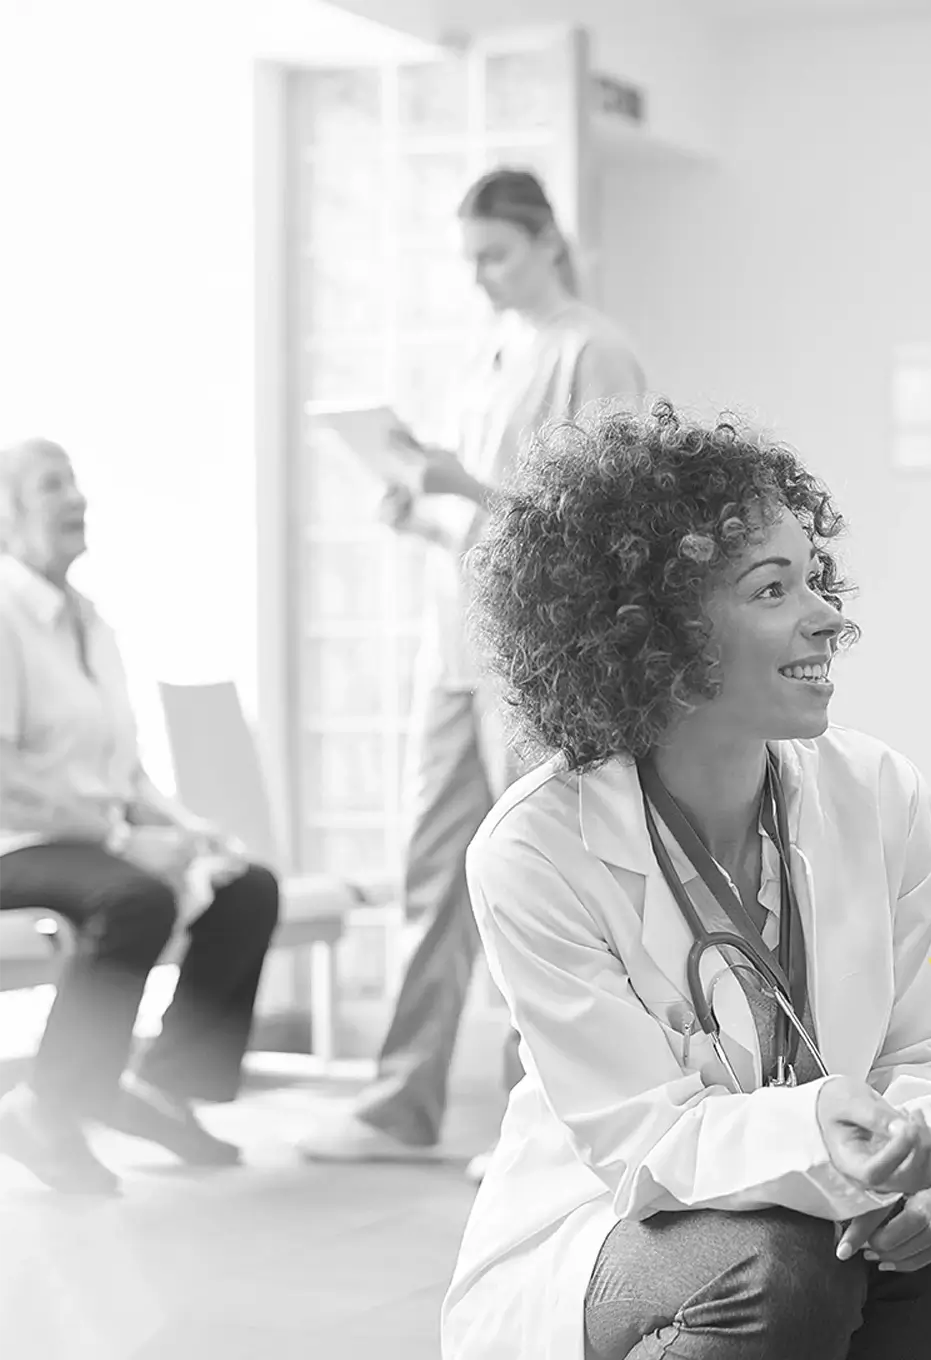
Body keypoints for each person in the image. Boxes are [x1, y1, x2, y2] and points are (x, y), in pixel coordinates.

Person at [440, 403, 931, 1360]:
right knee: (781, 1266)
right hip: (608, 1228)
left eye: (817, 578)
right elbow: (641, 1143)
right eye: (774, 588)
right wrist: (827, 1133)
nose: (830, 615)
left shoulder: (880, 796)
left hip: (834, 1195)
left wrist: (916, 1166)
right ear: (654, 633)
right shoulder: (534, 851)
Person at [302, 168, 647, 1176]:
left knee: (532, 874)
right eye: (470, 261)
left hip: (527, 655)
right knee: (431, 870)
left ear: (546, 240)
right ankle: (399, 1098)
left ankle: (537, 1120)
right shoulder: (491, 355)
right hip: (451, 648)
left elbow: (602, 521)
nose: (483, 278)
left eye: (495, 255)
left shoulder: (595, 352)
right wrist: (426, 506)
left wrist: (466, 482)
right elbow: (486, 518)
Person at [0, 438, 280, 1195]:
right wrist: (127, 842)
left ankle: (161, 1085)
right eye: (52, 486)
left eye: (76, 482)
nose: (76, 498)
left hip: (89, 841)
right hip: (17, 843)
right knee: (136, 895)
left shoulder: (90, 621)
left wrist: (190, 832)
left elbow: (123, 771)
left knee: (246, 885)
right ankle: (46, 1107)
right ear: (7, 511)